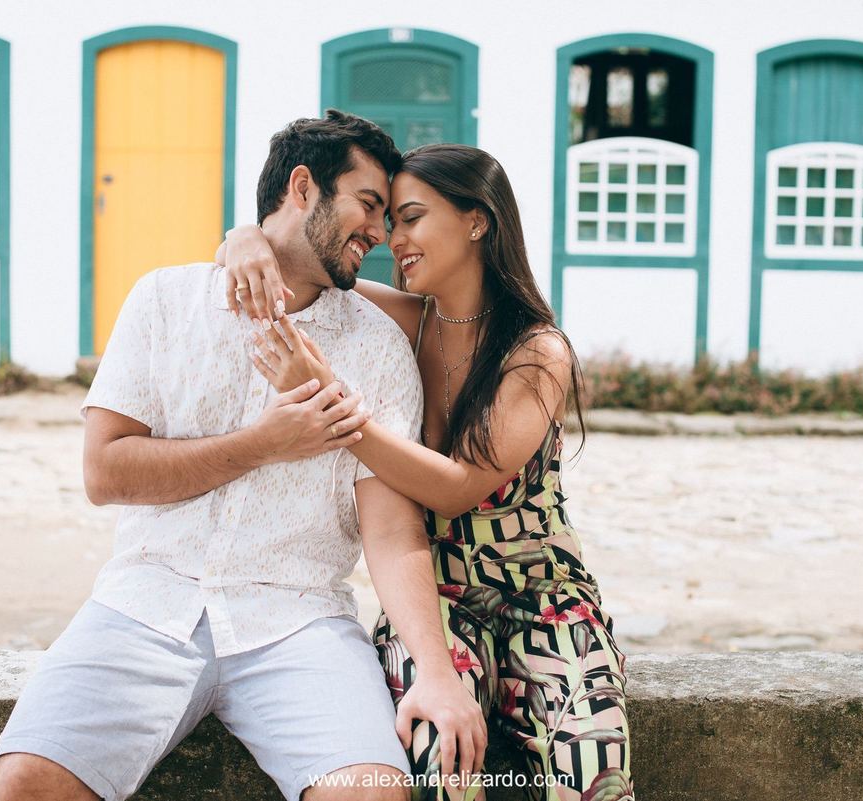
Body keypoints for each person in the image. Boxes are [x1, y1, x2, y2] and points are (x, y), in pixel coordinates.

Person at [0, 111, 486, 801]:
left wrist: (436, 670)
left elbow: (391, 528)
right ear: (304, 187)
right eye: (369, 205)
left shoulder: (377, 345)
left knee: (372, 792)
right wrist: (261, 445)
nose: (381, 233)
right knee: (26, 779)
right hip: (145, 598)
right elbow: (104, 472)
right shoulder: (164, 299)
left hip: (299, 619)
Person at [219, 142, 635, 801]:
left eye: (411, 217)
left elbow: (456, 486)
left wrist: (327, 396)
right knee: (443, 766)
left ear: (477, 220)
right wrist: (243, 237)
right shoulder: (408, 323)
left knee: (590, 780)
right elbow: (305, 265)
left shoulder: (537, 352)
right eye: (389, 219)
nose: (392, 238)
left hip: (544, 597)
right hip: (435, 603)